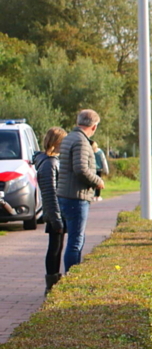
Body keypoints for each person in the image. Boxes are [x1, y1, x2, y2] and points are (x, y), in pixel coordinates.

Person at [56, 110, 104, 272]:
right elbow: (81, 169)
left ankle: (70, 275)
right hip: (76, 196)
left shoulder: (69, 138)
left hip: (66, 194)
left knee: (75, 239)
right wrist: (97, 181)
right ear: (94, 126)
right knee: (76, 241)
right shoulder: (82, 142)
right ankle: (72, 276)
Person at [33, 127, 67, 293]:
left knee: (56, 247)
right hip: (55, 212)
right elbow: (50, 193)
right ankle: (51, 283)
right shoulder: (49, 163)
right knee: (54, 247)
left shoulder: (49, 161)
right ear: (57, 142)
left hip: (56, 211)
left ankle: (53, 280)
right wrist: (56, 218)